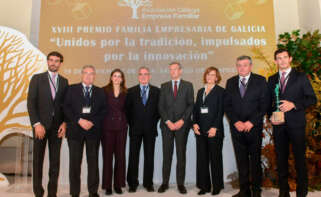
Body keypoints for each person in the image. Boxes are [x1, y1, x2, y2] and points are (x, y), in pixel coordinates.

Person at [268, 49, 317, 197]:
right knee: (281, 160)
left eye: (284, 57)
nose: (282, 61)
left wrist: (294, 104)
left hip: (296, 124)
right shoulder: (271, 79)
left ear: (290, 59)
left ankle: (301, 192)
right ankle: (284, 192)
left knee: (299, 159)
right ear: (275, 61)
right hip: (278, 125)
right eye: (278, 58)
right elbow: (268, 102)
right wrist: (270, 115)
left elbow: (311, 99)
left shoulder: (301, 77)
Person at [224, 56, 269, 197]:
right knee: (241, 160)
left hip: (253, 127)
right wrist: (236, 121)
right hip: (237, 128)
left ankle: (256, 191)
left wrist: (251, 122)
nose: (241, 68)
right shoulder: (230, 82)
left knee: (255, 161)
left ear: (250, 66)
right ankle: (244, 191)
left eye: (244, 65)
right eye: (239, 65)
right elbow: (227, 105)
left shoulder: (260, 81)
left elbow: (264, 105)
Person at [27, 51, 68, 197]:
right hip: (40, 128)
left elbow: (65, 106)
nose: (53, 63)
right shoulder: (37, 79)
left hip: (57, 129)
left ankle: (52, 193)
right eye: (51, 60)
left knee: (54, 163)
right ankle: (38, 192)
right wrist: (36, 124)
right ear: (47, 61)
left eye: (57, 61)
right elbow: (31, 103)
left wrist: (65, 123)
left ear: (60, 63)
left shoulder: (64, 81)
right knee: (37, 161)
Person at [64, 65, 107, 197]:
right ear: (82, 74)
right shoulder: (71, 89)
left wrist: (92, 122)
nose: (89, 76)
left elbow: (104, 110)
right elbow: (66, 107)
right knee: (75, 163)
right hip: (75, 132)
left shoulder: (100, 92)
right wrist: (79, 120)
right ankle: (75, 192)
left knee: (93, 163)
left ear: (95, 76)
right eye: (86, 73)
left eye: (92, 74)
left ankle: (93, 191)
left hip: (93, 132)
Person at [158, 62, 194, 194]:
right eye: (170, 70)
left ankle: (180, 184)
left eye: (175, 69)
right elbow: (160, 106)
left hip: (182, 126)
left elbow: (191, 105)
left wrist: (182, 121)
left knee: (181, 155)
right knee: (167, 155)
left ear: (180, 71)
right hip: (167, 126)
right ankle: (165, 183)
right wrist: (168, 121)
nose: (172, 72)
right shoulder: (164, 86)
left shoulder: (188, 86)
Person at [126, 67, 160, 193]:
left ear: (149, 76)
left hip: (150, 129)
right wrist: (133, 124)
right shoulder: (130, 91)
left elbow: (159, 111)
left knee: (149, 157)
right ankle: (132, 183)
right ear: (138, 76)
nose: (143, 76)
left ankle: (148, 183)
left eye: (146, 74)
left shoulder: (157, 91)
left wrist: (152, 121)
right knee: (133, 156)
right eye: (141, 74)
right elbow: (127, 111)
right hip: (135, 129)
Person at [193, 67, 225, 196]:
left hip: (214, 130)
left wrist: (215, 127)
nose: (210, 77)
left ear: (217, 77)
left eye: (213, 75)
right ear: (205, 76)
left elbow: (220, 111)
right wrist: (194, 124)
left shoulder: (221, 91)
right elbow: (196, 110)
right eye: (208, 74)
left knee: (215, 159)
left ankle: (217, 186)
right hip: (200, 131)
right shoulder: (200, 91)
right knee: (202, 159)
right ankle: (204, 186)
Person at [101, 69, 128, 195]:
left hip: (121, 127)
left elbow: (128, 110)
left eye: (119, 76)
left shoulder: (126, 92)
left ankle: (118, 184)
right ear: (111, 78)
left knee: (120, 157)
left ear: (122, 79)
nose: (117, 78)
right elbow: (100, 109)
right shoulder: (103, 91)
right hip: (107, 128)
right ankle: (107, 186)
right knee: (107, 157)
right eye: (115, 76)